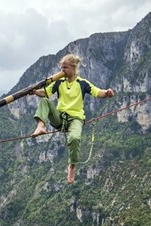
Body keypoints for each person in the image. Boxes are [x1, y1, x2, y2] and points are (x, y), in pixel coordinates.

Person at [30, 53, 114, 184]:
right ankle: (41, 126)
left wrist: (107, 92)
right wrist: (35, 92)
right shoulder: (59, 82)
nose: (62, 70)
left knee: (74, 138)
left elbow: (98, 92)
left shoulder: (82, 83)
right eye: (61, 68)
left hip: (76, 119)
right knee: (44, 102)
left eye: (65, 68)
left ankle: (72, 165)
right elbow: (45, 92)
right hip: (60, 117)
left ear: (73, 68)